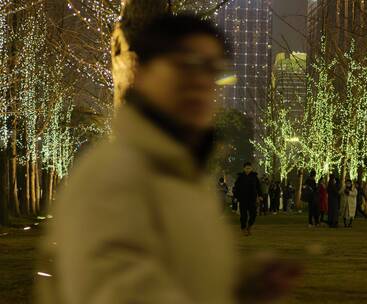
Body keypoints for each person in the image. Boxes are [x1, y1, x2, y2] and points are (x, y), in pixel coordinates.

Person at [36, 14, 297, 304]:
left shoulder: (184, 176)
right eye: (187, 64)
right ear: (141, 73)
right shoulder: (113, 175)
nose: (201, 81)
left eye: (214, 69)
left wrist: (239, 286)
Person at [234, 162, 262, 236]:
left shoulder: (254, 177)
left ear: (251, 168)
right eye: (246, 168)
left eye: (249, 168)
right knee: (243, 216)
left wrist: (260, 195)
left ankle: (249, 227)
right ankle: (243, 228)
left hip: (252, 199)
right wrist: (236, 197)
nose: (248, 170)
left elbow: (258, 187)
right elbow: (236, 188)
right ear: (244, 168)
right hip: (243, 199)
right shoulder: (240, 177)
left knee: (253, 214)